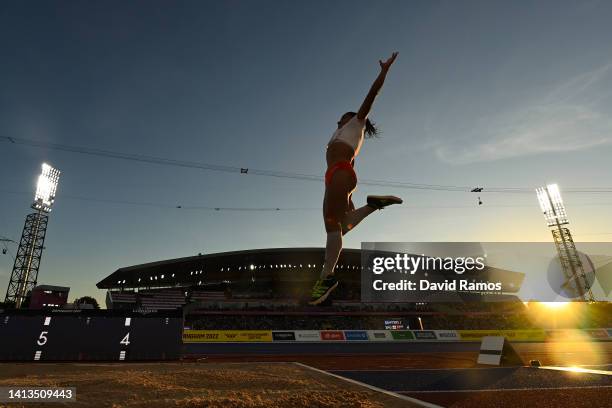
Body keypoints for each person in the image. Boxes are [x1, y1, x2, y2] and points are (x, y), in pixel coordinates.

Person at [309, 52, 403, 305]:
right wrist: (349, 197)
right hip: (338, 176)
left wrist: (383, 72)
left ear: (351, 117)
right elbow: (352, 167)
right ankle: (373, 205)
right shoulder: (341, 132)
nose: (338, 119)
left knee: (333, 227)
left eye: (342, 116)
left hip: (339, 172)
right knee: (342, 225)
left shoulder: (356, 123)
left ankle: (326, 277)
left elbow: (371, 95)